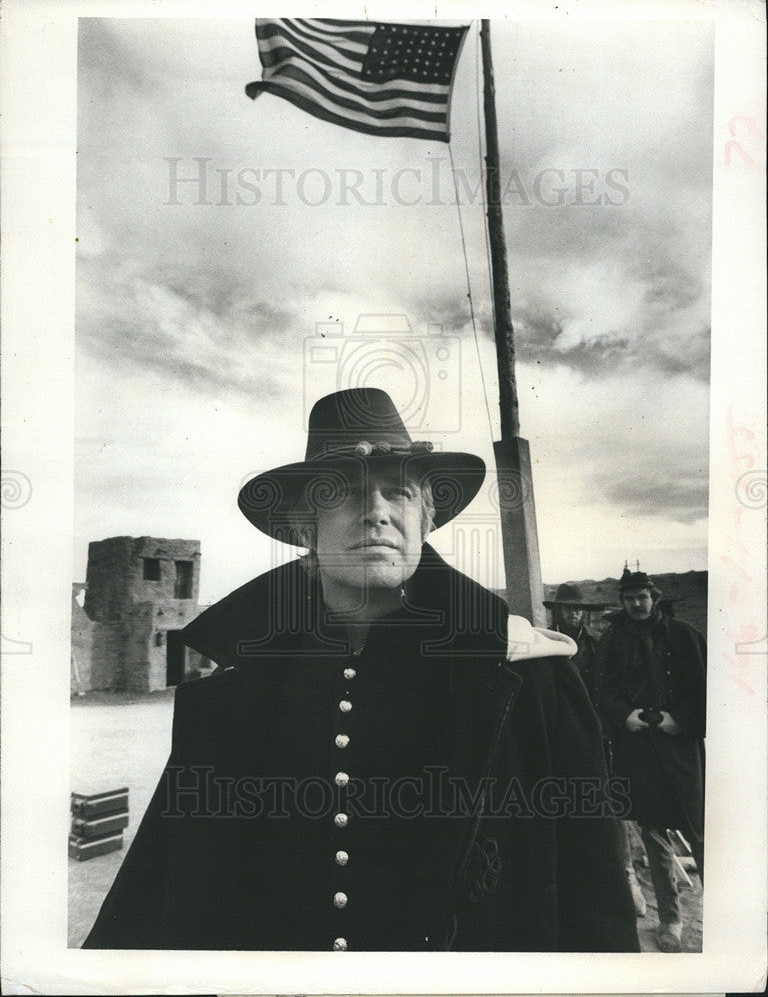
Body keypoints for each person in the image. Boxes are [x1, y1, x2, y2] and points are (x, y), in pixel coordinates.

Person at [84, 388, 638, 952]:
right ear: (306, 530)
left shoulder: (523, 679)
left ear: (425, 520)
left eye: (398, 492)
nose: (377, 511)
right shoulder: (235, 695)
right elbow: (162, 892)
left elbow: (594, 903)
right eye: (345, 493)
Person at [598, 567, 706, 952]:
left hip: (682, 750)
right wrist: (625, 714)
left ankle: (729, 915)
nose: (636, 604)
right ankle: (671, 919)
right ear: (622, 603)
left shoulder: (684, 636)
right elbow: (604, 689)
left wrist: (683, 720)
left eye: (642, 597)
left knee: (702, 832)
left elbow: (709, 688)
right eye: (628, 599)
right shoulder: (614, 640)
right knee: (654, 834)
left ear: (654, 598)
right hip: (642, 751)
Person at [545, 583, 648, 918]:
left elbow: (607, 690)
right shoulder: (545, 643)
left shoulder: (597, 645)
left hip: (595, 736)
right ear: (556, 611)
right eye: (567, 608)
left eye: (578, 610)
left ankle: (626, 878)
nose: (574, 614)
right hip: (556, 736)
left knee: (610, 805)